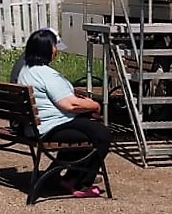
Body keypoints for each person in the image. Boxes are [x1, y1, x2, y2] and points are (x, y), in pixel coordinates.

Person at [16, 28, 109, 198]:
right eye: (54, 46)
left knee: (88, 129)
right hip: (50, 127)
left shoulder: (25, 71)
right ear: (47, 49)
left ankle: (64, 176)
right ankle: (80, 182)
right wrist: (94, 105)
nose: (56, 49)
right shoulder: (46, 74)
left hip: (36, 126)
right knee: (102, 135)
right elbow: (69, 105)